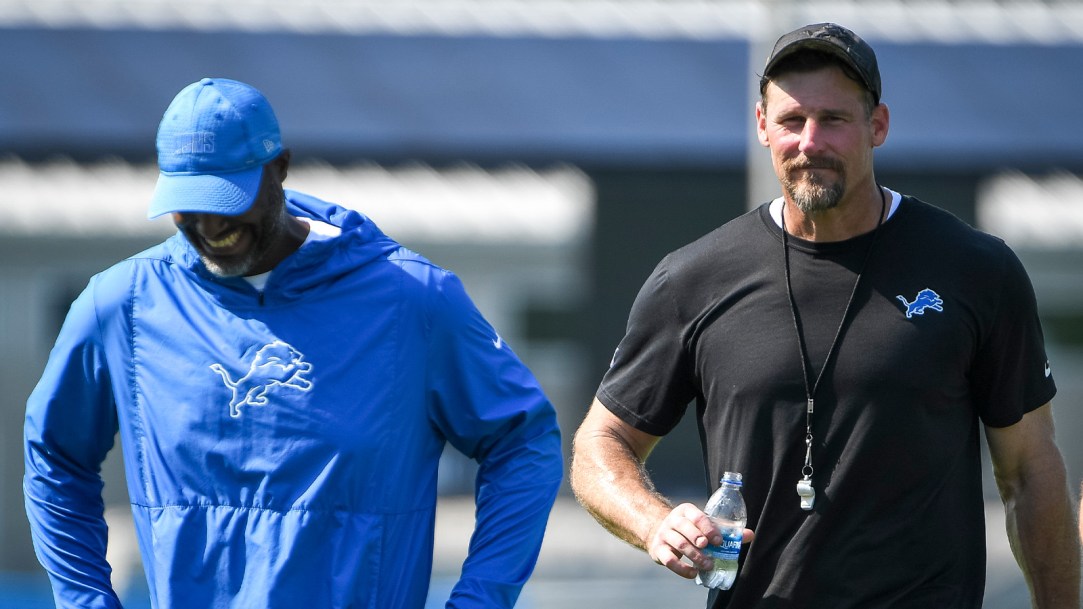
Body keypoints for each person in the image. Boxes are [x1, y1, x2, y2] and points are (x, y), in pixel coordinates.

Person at [570, 23, 1079, 609]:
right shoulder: (693, 278)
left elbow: (1031, 472)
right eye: (791, 121)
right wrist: (656, 523)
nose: (810, 141)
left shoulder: (976, 270)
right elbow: (599, 444)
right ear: (762, 127)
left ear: (877, 126)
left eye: (833, 119)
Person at [24, 77, 563, 609]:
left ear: (278, 169)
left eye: (226, 198)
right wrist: (86, 601)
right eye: (189, 201)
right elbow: (55, 456)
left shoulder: (412, 300)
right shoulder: (123, 305)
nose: (210, 224)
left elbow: (523, 442)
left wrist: (481, 599)